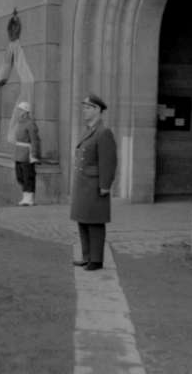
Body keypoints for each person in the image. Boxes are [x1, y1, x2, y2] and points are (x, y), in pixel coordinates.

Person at [70, 94, 117, 271]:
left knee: (95, 222)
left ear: (97, 110)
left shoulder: (104, 132)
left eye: (88, 108)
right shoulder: (88, 130)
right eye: (83, 107)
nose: (84, 110)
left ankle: (96, 260)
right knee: (83, 220)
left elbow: (108, 162)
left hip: (94, 185)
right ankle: (87, 256)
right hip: (83, 184)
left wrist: (105, 185)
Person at [14, 101, 41, 206]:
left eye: (20, 110)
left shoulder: (30, 123)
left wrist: (34, 154)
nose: (18, 112)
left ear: (25, 112)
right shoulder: (19, 122)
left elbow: (35, 140)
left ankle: (29, 198)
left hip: (27, 153)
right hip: (19, 153)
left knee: (28, 176)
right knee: (19, 175)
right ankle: (26, 195)